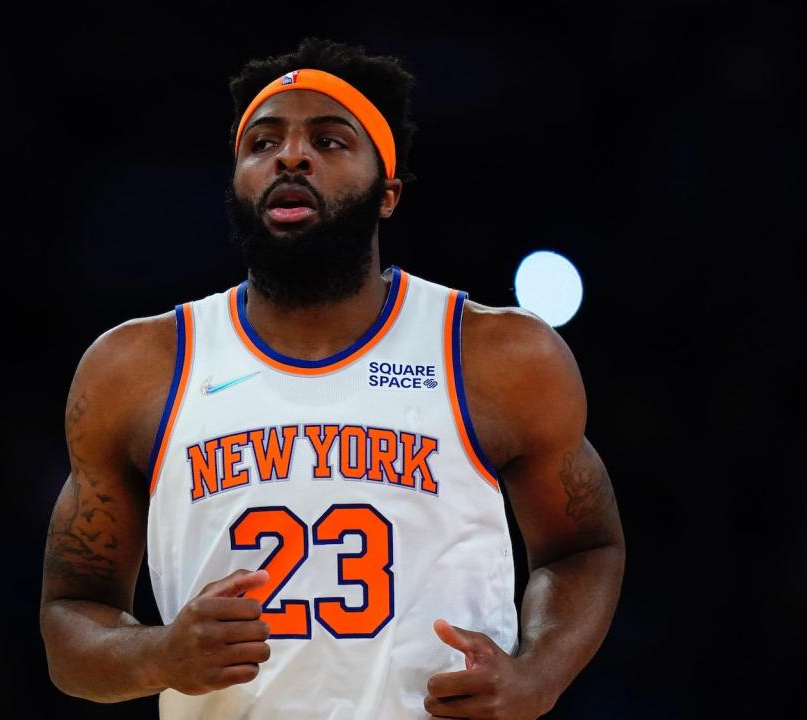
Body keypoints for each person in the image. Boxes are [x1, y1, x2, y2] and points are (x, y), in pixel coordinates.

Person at [39, 37, 625, 720]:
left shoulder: (498, 356)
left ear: (388, 194)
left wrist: (538, 675)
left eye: (329, 140)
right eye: (262, 143)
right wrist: (159, 655)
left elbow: (586, 546)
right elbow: (68, 618)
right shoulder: (135, 368)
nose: (290, 156)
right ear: (237, 184)